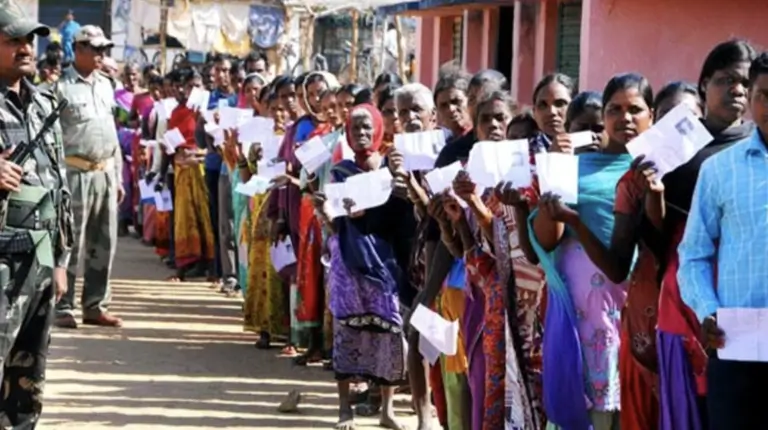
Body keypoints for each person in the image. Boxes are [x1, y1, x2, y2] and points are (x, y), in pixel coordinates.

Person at [678, 51, 768, 430]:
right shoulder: (719, 169)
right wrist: (706, 309)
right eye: (764, 94)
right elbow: (694, 255)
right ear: (750, 98)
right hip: (738, 350)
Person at [0, 6, 74, 426]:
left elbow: (59, 188)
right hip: (2, 261)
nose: (26, 48)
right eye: (13, 40)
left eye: (30, 40)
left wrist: (60, 261)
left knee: (28, 375)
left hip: (40, 261)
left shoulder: (44, 102)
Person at [53, 25, 124, 329]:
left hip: (105, 172)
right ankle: (63, 305)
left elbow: (113, 134)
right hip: (75, 173)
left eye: (103, 50)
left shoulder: (107, 85)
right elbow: (52, 138)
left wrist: (118, 176)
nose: (100, 55)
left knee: (104, 241)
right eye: (94, 49)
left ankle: (95, 304)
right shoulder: (59, 88)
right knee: (71, 242)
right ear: (78, 49)